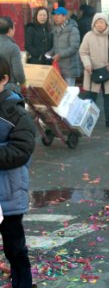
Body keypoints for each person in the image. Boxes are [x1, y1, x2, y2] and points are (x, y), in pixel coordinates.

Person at [0, 56, 36, 288]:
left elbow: (22, 150)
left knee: (15, 250)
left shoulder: (15, 112)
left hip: (7, 194)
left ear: (3, 79)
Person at [79, 13, 109, 128]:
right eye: (97, 22)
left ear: (106, 23)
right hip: (92, 71)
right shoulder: (88, 36)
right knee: (91, 98)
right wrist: (87, 64)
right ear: (93, 24)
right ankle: (88, 122)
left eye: (101, 22)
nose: (99, 24)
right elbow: (83, 52)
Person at [50, 7, 81, 86]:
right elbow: (56, 47)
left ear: (64, 16)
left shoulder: (73, 29)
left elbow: (74, 47)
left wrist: (60, 54)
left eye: (58, 15)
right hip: (59, 67)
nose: (55, 17)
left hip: (69, 67)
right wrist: (50, 53)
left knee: (69, 93)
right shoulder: (55, 29)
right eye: (54, 15)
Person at [0, 16, 26, 93]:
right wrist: (23, 83)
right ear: (10, 30)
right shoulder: (13, 47)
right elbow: (18, 73)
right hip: (8, 88)